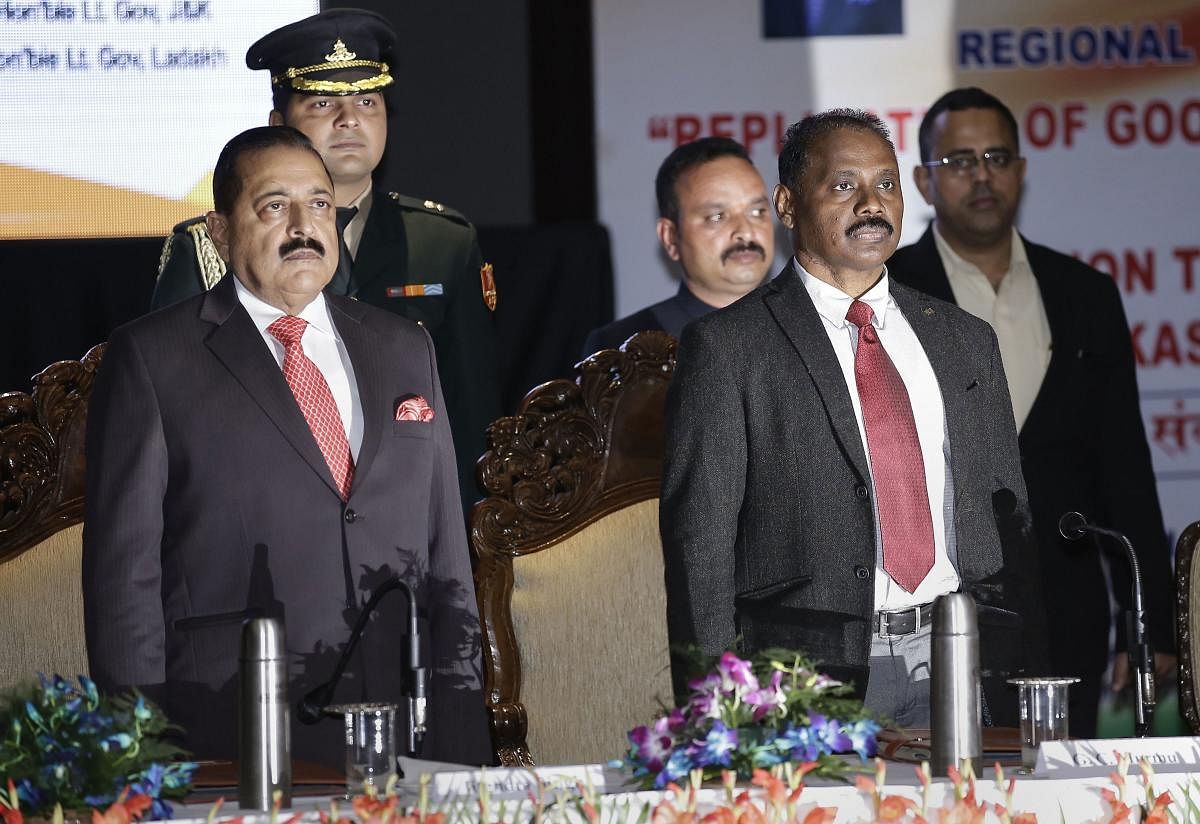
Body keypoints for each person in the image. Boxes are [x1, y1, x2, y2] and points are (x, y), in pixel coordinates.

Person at [83, 126, 491, 768]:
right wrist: (140, 757)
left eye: (320, 204)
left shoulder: (403, 346)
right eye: (274, 206)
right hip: (230, 722)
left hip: (401, 720)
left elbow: (447, 561)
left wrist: (465, 740)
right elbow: (124, 578)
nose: (303, 225)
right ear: (219, 233)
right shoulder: (153, 356)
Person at [660, 109, 1047, 727]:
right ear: (787, 205)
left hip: (962, 662)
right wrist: (719, 712)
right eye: (845, 186)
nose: (873, 204)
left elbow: (1012, 524)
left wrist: (1023, 667)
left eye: (886, 184)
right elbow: (699, 550)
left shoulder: (964, 340)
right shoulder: (730, 348)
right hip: (803, 677)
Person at [887, 86, 1175, 737]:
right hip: (928, 613)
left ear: (1020, 171)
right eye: (959, 161)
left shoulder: (1085, 295)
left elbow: (1125, 468)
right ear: (924, 182)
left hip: (1066, 605)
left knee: (1059, 788)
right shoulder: (890, 293)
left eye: (996, 157)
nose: (981, 176)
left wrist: (1148, 626)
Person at [151, 9, 499, 514]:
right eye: (321, 102)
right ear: (278, 125)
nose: (349, 120)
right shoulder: (213, 246)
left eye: (367, 101)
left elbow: (471, 415)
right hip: (257, 513)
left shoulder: (443, 242)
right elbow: (169, 409)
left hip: (405, 516)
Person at [582, 137, 772, 357]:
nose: (746, 232)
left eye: (757, 212)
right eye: (717, 216)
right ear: (670, 237)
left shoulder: (811, 326)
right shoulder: (621, 350)